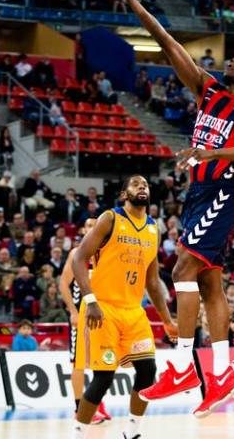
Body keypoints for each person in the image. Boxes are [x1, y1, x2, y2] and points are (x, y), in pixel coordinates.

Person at [108, 0, 234, 417]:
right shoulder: (208, 89)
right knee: (208, 281)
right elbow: (167, 42)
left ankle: (182, 365)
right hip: (198, 197)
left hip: (223, 192)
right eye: (233, 57)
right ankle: (221, 372)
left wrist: (211, 154)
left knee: (181, 266)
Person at [71, 175, 177, 439]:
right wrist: (90, 300)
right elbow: (79, 259)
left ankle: (132, 432)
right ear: (124, 194)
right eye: (135, 184)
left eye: (145, 185)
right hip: (103, 308)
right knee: (103, 378)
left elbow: (152, 282)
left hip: (133, 312)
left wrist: (166, 319)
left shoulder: (154, 228)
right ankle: (78, 433)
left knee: (148, 370)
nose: (142, 187)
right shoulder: (110, 218)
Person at [59, 218, 111, 425]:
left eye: (95, 225)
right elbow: (63, 284)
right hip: (81, 316)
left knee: (101, 362)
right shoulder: (76, 253)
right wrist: (72, 311)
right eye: (88, 225)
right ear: (83, 230)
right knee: (78, 363)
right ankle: (79, 407)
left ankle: (95, 402)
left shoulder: (106, 253)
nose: (92, 228)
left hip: (102, 315)